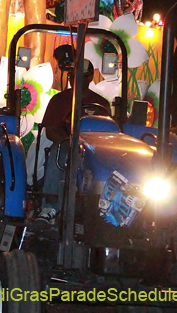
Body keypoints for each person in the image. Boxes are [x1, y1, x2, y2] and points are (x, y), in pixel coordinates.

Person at [36, 54, 109, 226]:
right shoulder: (59, 100)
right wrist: (70, 141)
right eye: (71, 76)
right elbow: (51, 131)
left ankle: (103, 209)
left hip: (95, 148)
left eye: (79, 76)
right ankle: (50, 207)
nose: (73, 79)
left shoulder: (101, 104)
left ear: (90, 78)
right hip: (68, 144)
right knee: (57, 153)